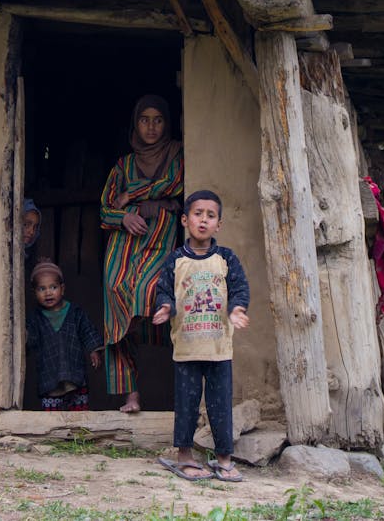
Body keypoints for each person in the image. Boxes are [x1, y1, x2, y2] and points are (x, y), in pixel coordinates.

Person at [153, 189, 250, 482]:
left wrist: (237, 308)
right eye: (198, 214)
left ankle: (224, 459)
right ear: (185, 220)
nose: (203, 221)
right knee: (187, 404)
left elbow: (240, 288)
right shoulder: (175, 261)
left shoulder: (226, 258)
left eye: (211, 216)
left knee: (220, 406)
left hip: (219, 349)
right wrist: (166, 307)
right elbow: (165, 291)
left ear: (218, 224)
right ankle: (184, 456)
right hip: (187, 348)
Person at [100, 94, 184, 413]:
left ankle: (184, 395)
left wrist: (130, 195)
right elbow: (105, 210)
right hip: (124, 245)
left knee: (152, 293)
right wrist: (123, 216)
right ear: (135, 124)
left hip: (160, 239)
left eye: (158, 120)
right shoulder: (123, 164)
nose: (151, 127)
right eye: (144, 120)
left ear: (167, 123)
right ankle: (131, 396)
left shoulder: (177, 154)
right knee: (117, 302)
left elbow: (172, 185)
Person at [26, 260, 103, 411]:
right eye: (42, 289)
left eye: (53, 287)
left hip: (75, 374)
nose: (48, 293)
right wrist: (25, 335)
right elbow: (31, 340)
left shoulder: (75, 312)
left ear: (62, 289)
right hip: (49, 376)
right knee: (52, 419)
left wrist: (94, 349)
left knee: (78, 419)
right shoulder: (35, 318)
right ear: (34, 292)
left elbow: (87, 331)